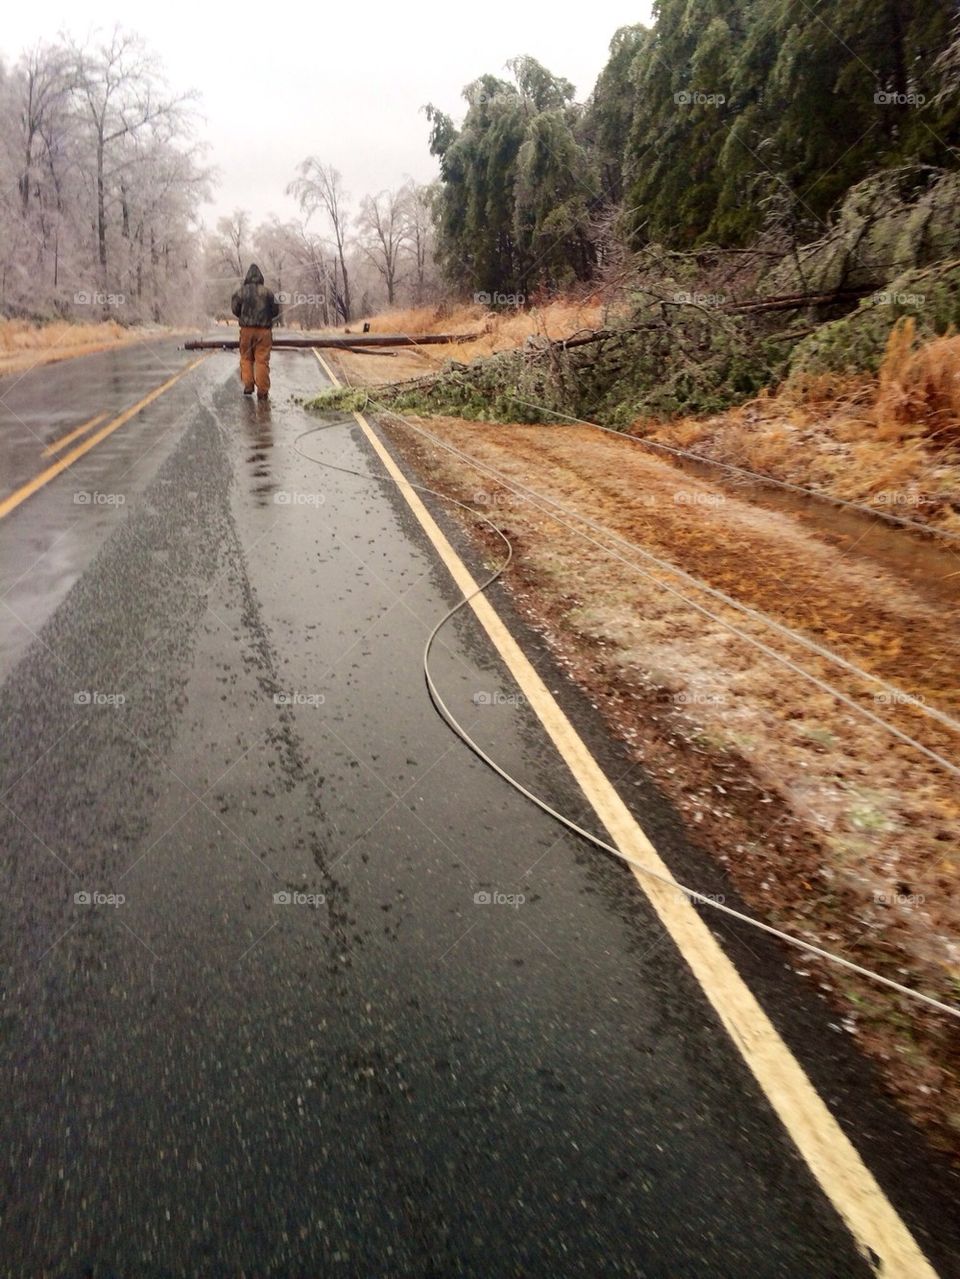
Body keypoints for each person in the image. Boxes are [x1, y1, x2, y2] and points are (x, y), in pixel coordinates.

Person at [230, 263, 280, 400]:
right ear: (260, 277)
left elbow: (235, 310)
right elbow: (276, 311)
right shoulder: (268, 292)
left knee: (246, 358)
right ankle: (262, 391)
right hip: (264, 331)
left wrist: (244, 316)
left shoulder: (240, 292)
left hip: (246, 330)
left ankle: (248, 385)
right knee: (262, 360)